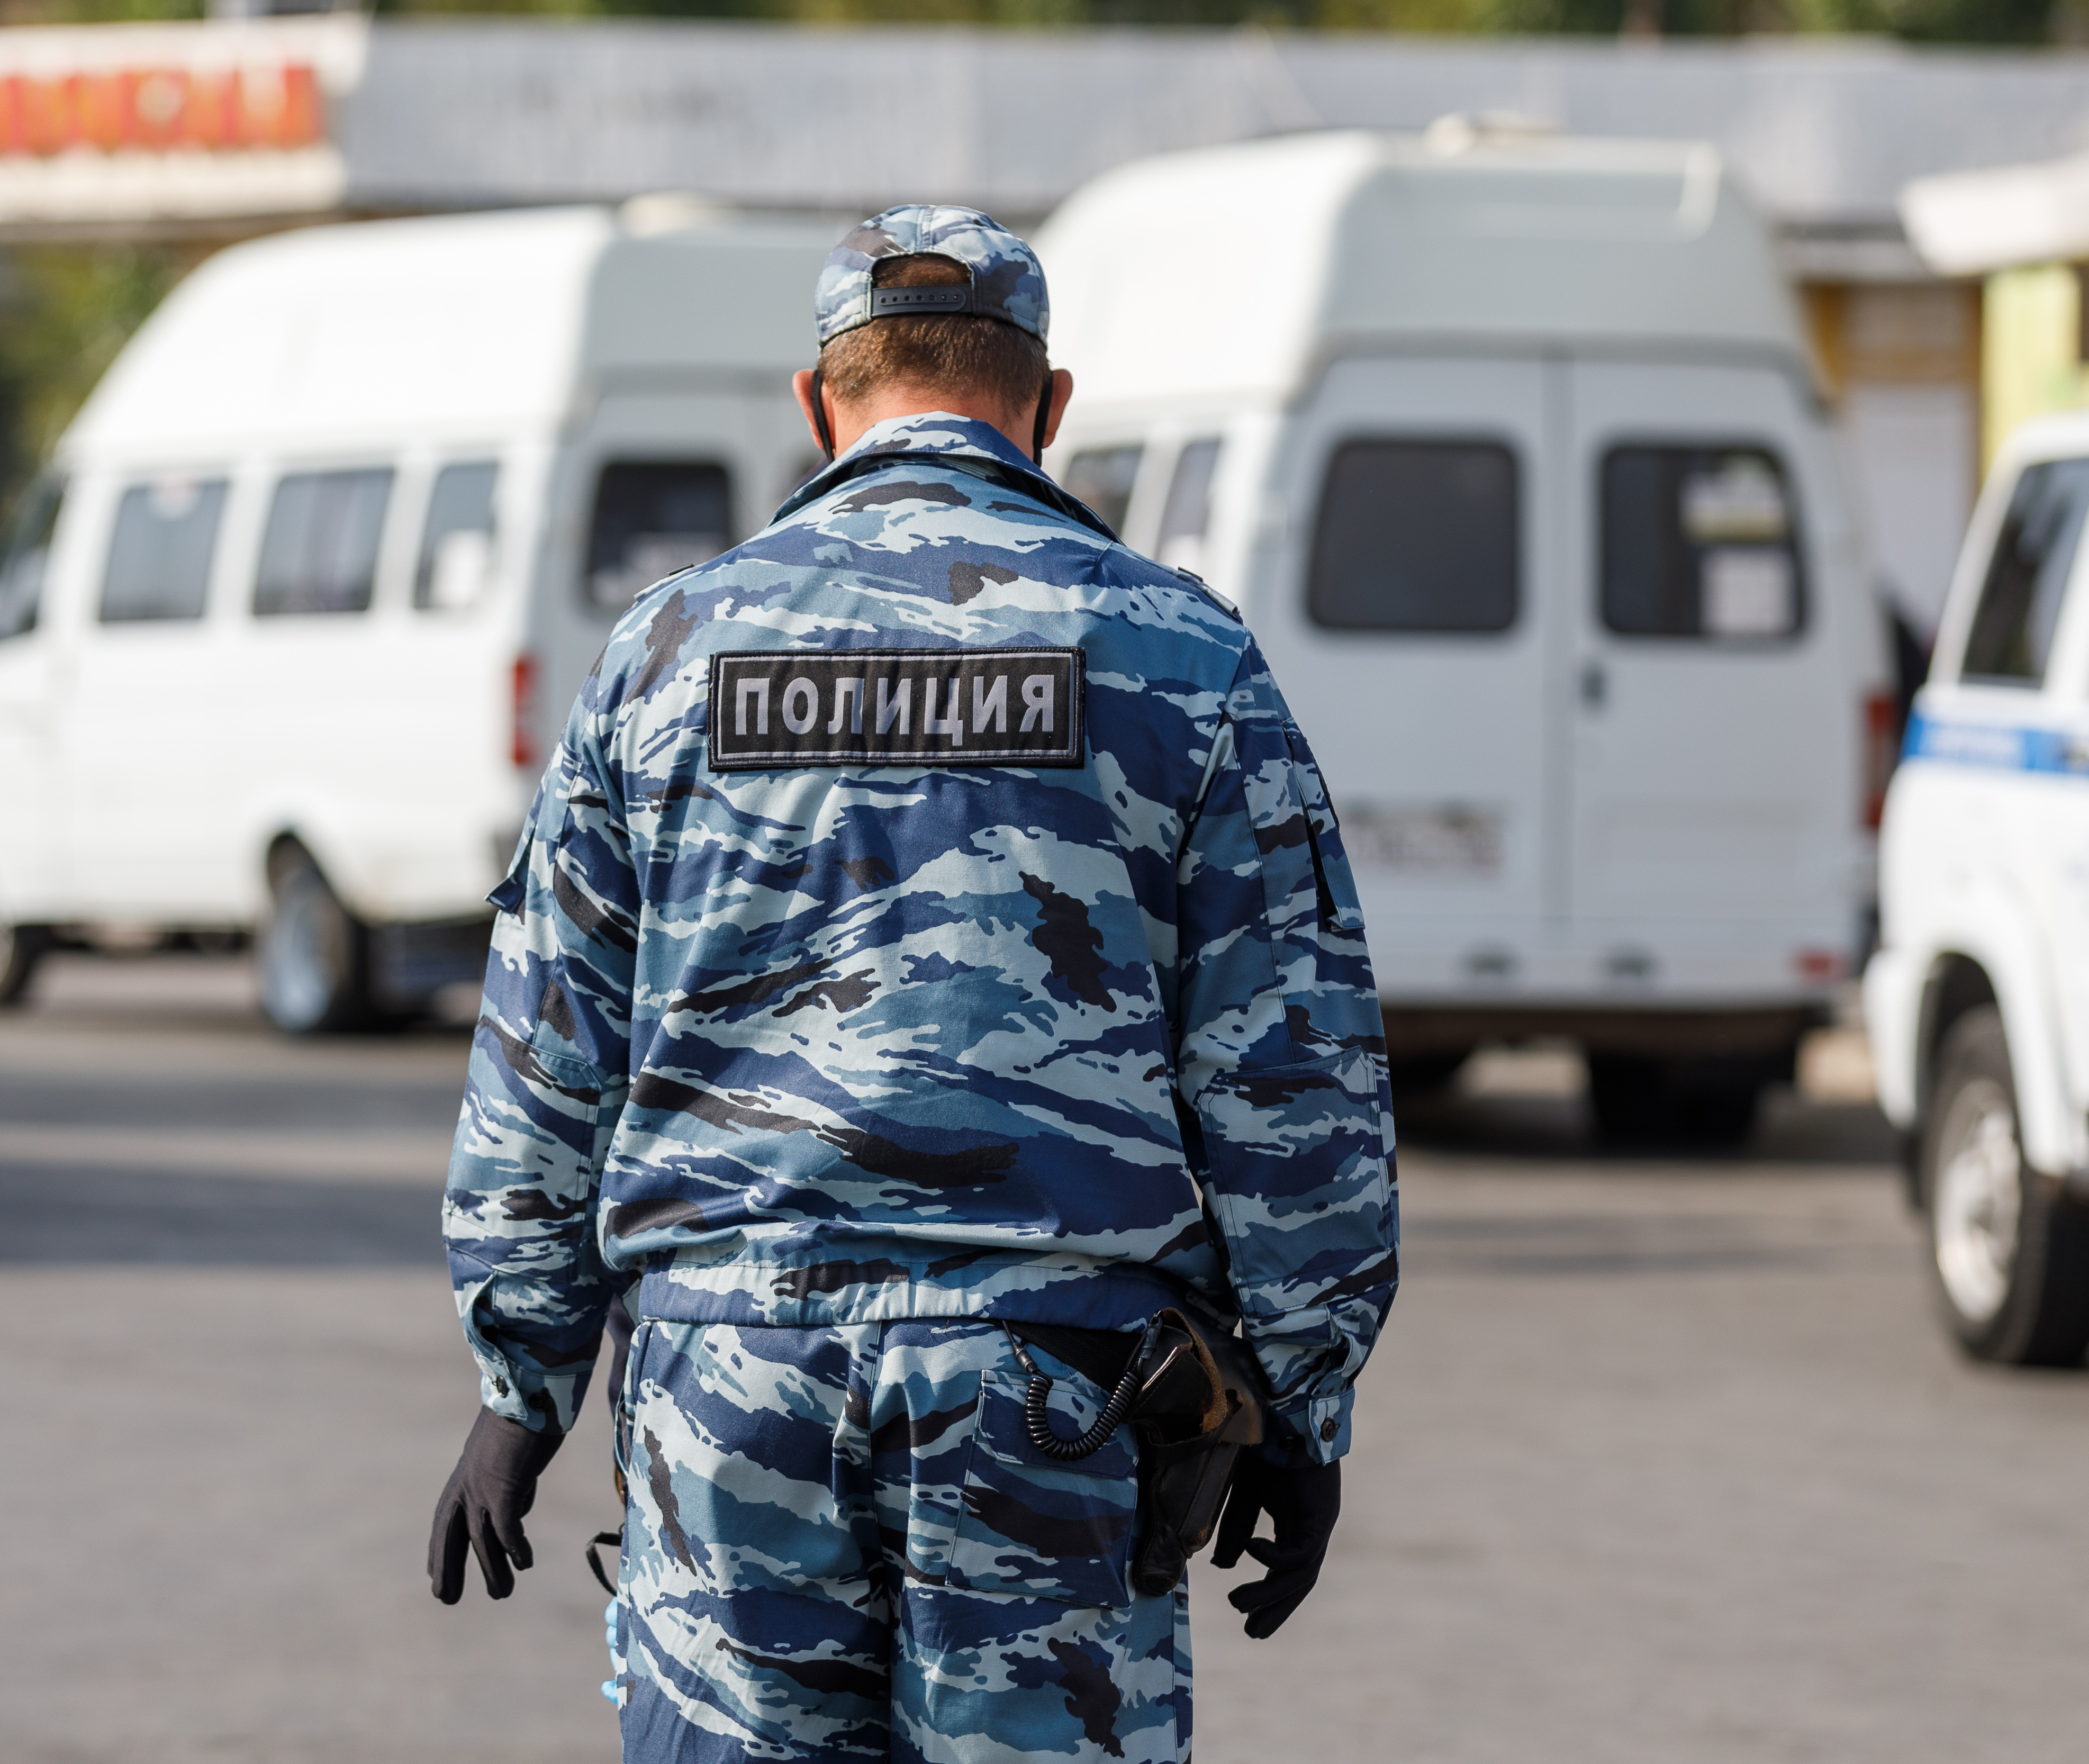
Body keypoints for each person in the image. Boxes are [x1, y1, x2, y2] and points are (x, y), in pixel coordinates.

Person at [430, 207, 1399, 1762]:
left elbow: (550, 1053)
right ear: (1049, 403)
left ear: (817, 404)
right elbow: (1291, 1078)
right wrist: (1300, 1400)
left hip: (729, 1379)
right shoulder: (1178, 656)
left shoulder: (664, 656)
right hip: (1052, 1388)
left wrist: (518, 1381)